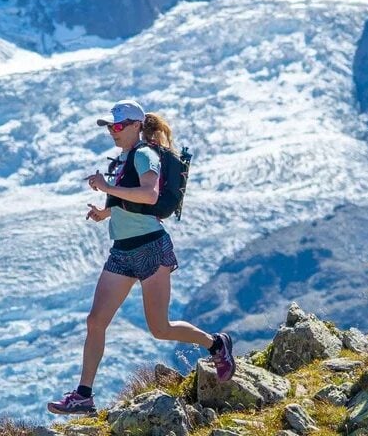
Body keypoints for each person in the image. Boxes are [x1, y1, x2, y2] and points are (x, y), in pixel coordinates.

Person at [48, 99, 235, 416]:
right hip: (122, 250)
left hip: (150, 247)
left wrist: (107, 186)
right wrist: (104, 213)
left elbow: (149, 194)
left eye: (118, 126)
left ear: (137, 126)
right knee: (96, 321)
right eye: (110, 126)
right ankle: (84, 395)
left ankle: (216, 344)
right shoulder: (122, 160)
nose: (113, 132)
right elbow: (129, 203)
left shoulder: (146, 155)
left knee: (160, 328)